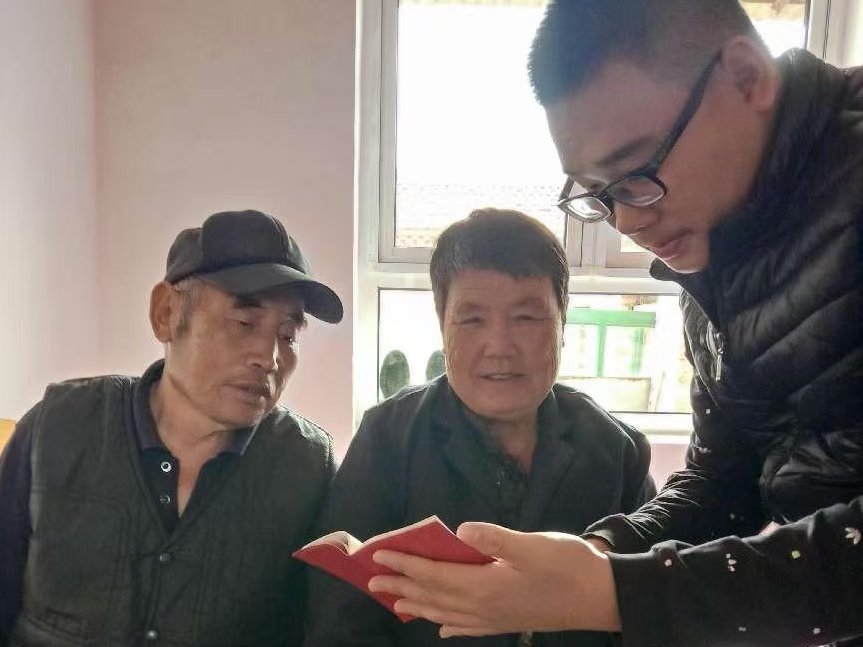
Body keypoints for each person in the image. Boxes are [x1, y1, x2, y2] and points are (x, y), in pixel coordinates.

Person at [365, 1, 863, 646]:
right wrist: (599, 552)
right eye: (597, 194)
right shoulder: (713, 251)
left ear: (745, 77)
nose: (626, 221)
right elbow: (724, 481)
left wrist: (619, 592)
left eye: (637, 173)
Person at [303, 208, 655, 647]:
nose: (500, 347)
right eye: (472, 319)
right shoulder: (388, 438)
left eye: (527, 318)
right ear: (442, 326)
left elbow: (651, 608)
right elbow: (341, 621)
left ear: (562, 323)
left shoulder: (617, 449)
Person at [0, 210, 343, 647]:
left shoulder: (306, 467)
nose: (269, 357)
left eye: (288, 335)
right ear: (166, 313)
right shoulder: (58, 427)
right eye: (243, 323)